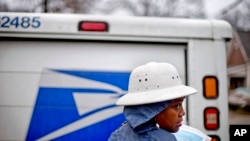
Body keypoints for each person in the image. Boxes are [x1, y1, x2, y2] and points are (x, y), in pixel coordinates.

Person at [108, 62, 197, 141]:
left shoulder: (117, 136)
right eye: (176, 106)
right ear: (154, 109)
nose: (182, 113)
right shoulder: (165, 139)